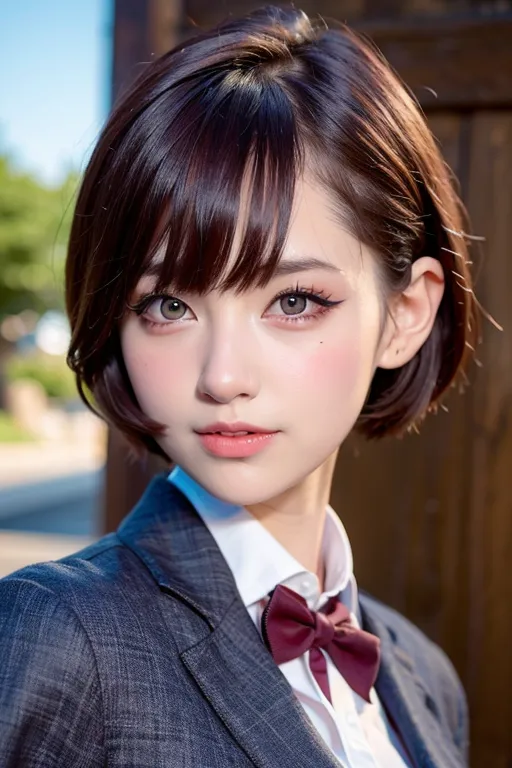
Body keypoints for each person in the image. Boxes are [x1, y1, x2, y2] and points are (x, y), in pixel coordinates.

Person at [0, 6, 475, 767]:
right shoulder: (60, 637)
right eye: (168, 306)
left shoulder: (424, 679)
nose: (222, 376)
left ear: (406, 313)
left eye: (293, 302)